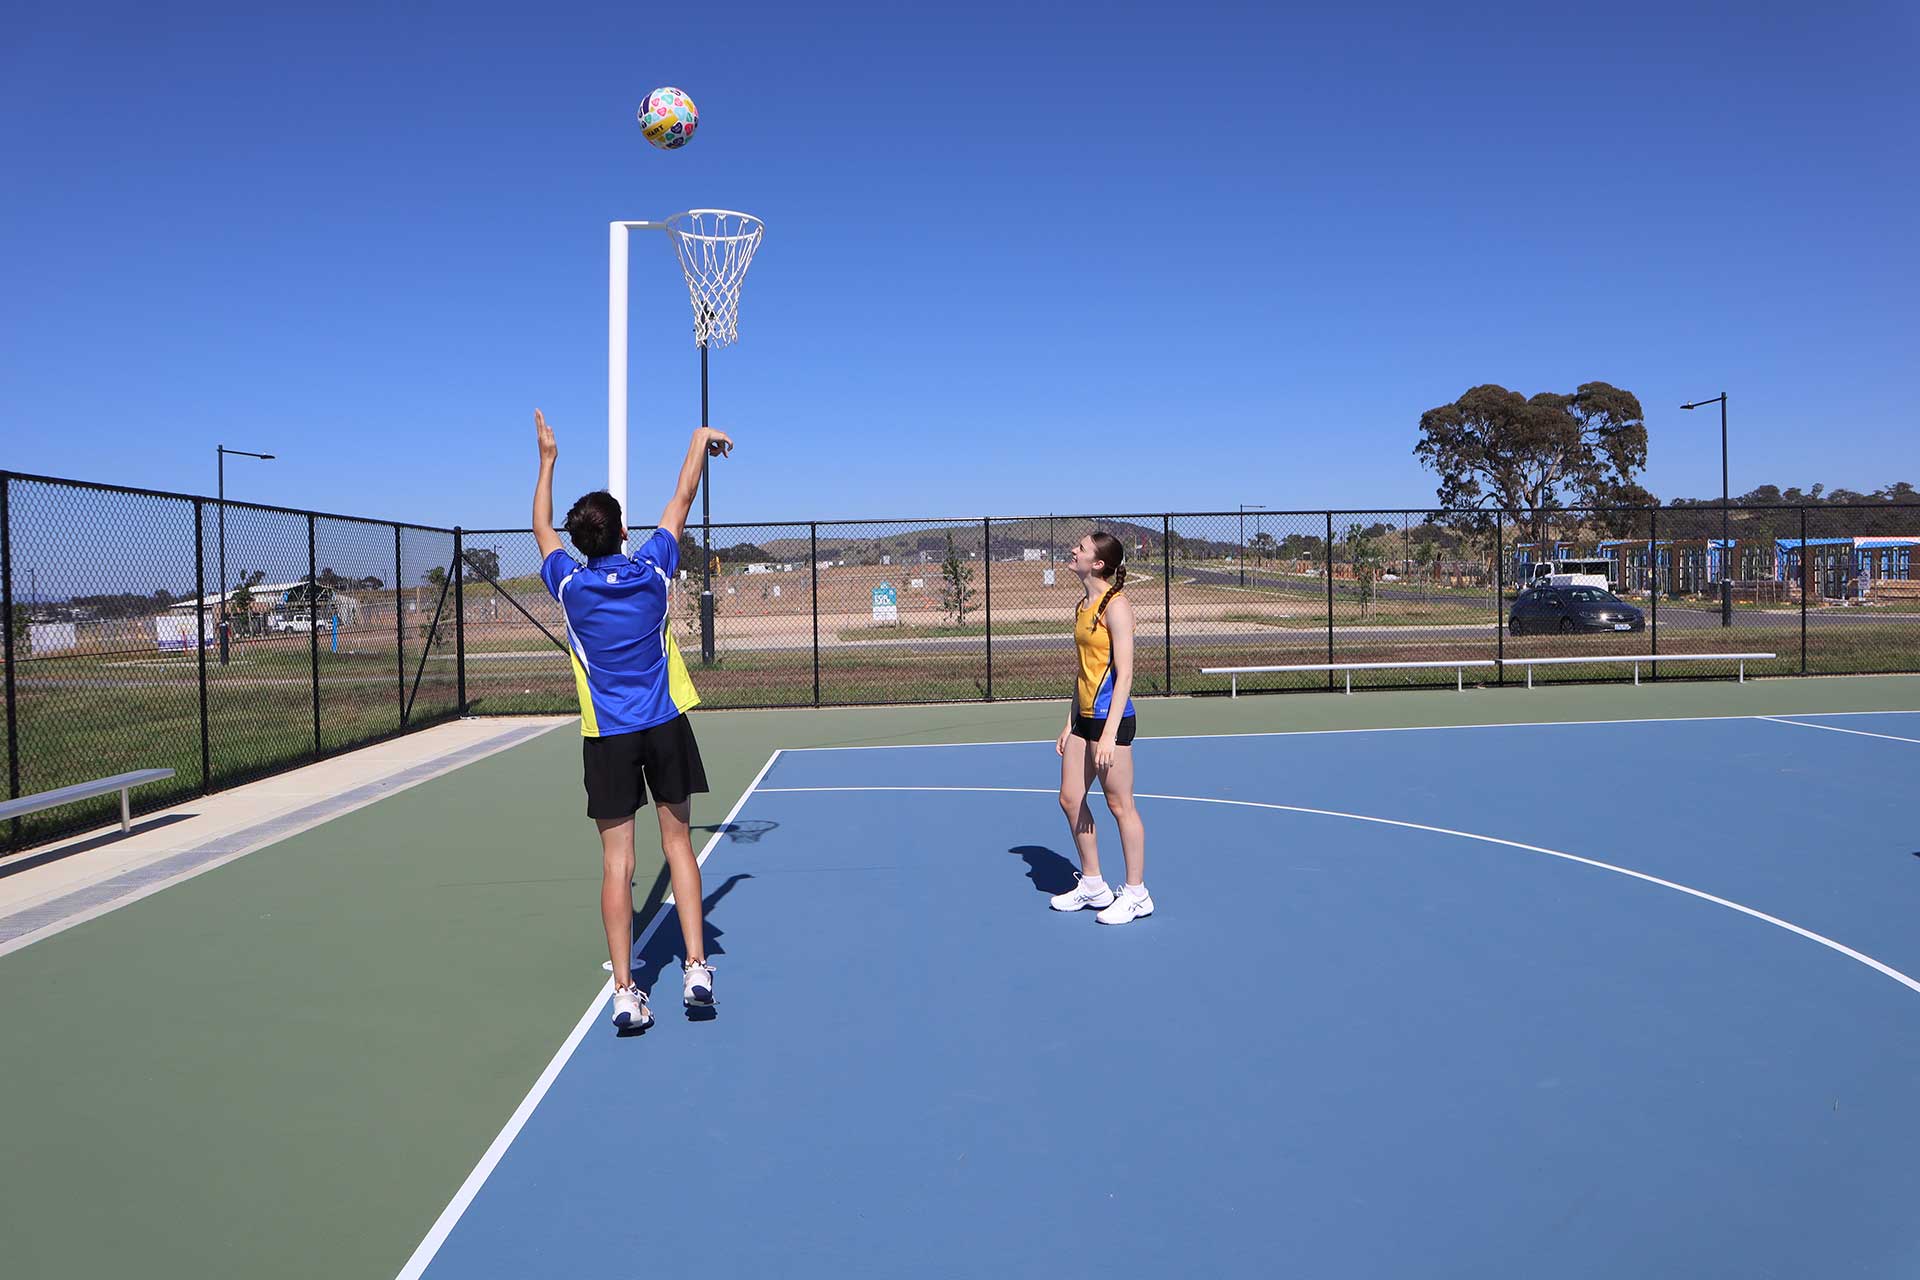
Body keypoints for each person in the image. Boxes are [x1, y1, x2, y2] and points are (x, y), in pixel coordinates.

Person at [532, 409, 734, 1029]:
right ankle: (696, 968)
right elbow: (682, 495)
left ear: (580, 541)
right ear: (622, 531)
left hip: (609, 739)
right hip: (664, 726)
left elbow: (539, 525)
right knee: (680, 848)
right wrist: (698, 440)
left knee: (618, 863)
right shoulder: (652, 572)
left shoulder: (569, 585)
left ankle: (626, 991)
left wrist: (547, 460)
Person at [1049, 531, 1152, 924]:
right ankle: (1093, 885)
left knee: (1119, 805)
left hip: (1113, 719)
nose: (1073, 550)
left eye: (1081, 548)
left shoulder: (1117, 606)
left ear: (1098, 564)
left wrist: (1108, 734)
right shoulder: (1082, 606)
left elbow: (1124, 675)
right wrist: (1068, 721)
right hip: (1084, 718)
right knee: (1070, 798)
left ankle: (1137, 893)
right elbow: (1084, 672)